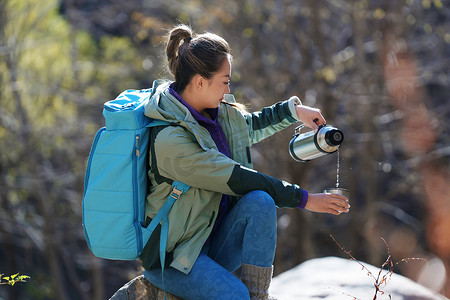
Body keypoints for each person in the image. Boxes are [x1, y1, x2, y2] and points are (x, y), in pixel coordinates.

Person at [140, 24, 350, 300]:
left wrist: (293, 111)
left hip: (211, 242)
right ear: (200, 82)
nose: (229, 88)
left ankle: (259, 296)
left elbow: (245, 129)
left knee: (260, 202)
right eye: (225, 81)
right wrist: (304, 198)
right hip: (175, 258)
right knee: (234, 295)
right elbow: (237, 177)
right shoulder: (170, 141)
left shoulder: (214, 114)